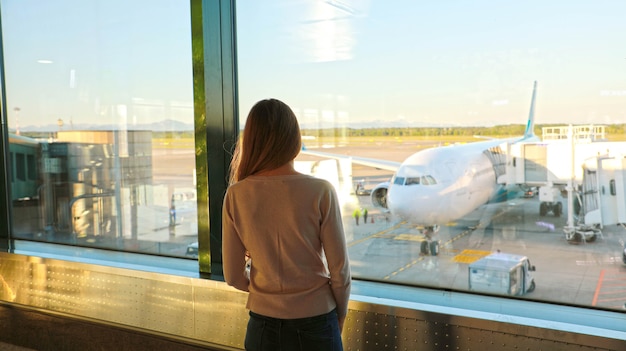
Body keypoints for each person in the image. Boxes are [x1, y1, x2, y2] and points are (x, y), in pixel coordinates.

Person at [222, 98, 351, 351]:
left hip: (262, 326)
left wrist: (267, 293)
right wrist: (340, 316)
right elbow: (340, 272)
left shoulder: (236, 194)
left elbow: (234, 277)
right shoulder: (320, 191)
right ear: (294, 139)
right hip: (317, 321)